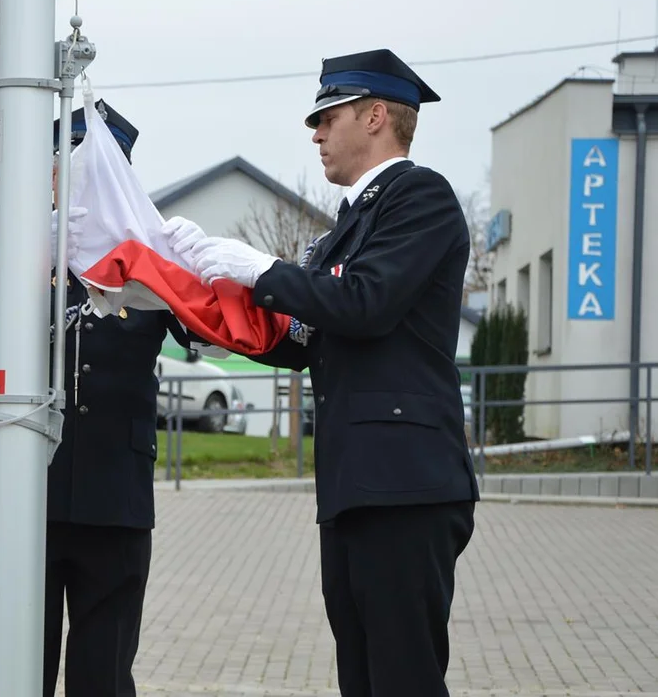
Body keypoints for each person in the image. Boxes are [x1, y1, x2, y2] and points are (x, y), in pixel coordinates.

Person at [161, 49, 480, 696]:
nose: (314, 133)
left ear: (375, 117)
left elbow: (364, 302)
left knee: (402, 678)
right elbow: (306, 338)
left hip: (403, 485)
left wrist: (257, 268)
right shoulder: (346, 226)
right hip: (355, 484)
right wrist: (202, 312)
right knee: (361, 678)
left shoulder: (419, 197)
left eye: (325, 116)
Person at [0, 99, 194, 697]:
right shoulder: (4, 236)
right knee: (17, 673)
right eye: (70, 165)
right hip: (20, 492)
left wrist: (180, 260)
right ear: (47, 170)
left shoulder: (147, 248)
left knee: (103, 678)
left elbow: (203, 327)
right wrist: (35, 246)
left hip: (115, 495)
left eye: (101, 170)